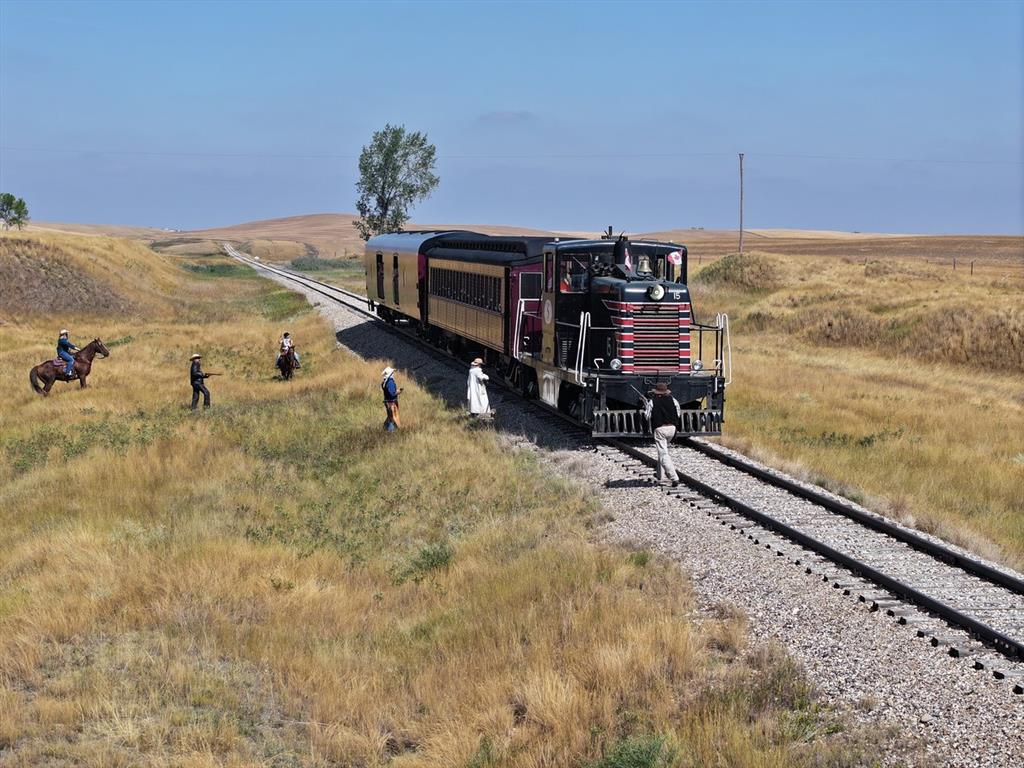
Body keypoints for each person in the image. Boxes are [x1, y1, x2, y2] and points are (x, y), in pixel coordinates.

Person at [643, 382, 681, 486]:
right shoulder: (674, 400)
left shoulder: (652, 402)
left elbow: (647, 416)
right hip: (672, 429)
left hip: (660, 430)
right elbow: (678, 413)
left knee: (663, 454)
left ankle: (674, 477)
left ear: (656, 393)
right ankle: (661, 475)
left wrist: (647, 406)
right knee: (663, 452)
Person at [381, 366, 402, 431]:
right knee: (393, 416)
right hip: (391, 402)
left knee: (390, 416)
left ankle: (385, 427)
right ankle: (392, 431)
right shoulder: (390, 382)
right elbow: (392, 393)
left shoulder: (384, 382)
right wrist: (398, 392)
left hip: (387, 401)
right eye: (392, 372)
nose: (393, 373)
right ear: (390, 374)